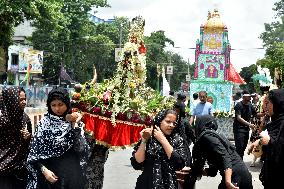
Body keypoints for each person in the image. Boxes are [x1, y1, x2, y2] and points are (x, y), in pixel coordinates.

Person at [26, 87, 89, 189]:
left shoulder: (75, 122)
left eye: (60, 104)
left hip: (72, 178)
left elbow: (81, 150)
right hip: (50, 178)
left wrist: (75, 126)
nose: (57, 109)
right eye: (53, 105)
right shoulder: (44, 124)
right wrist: (44, 170)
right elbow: (34, 154)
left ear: (67, 104)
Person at [185, 115, 253, 189]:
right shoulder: (212, 138)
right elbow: (212, 172)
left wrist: (228, 181)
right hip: (238, 174)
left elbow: (225, 156)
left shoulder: (207, 136)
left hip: (235, 176)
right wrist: (194, 171)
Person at [130, 109, 188, 189]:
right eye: (168, 121)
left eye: (174, 123)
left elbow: (179, 163)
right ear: (159, 121)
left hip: (168, 184)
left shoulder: (177, 139)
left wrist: (163, 140)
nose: (171, 125)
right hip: (147, 183)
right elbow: (137, 163)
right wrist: (144, 141)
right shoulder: (149, 136)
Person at [249, 88, 284, 188]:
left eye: (268, 103)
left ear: (278, 104)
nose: (265, 107)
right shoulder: (276, 121)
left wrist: (270, 142)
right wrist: (260, 141)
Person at [0, 87, 32, 189]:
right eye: (20, 100)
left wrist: (28, 137)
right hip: (3, 172)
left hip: (20, 171)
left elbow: (31, 145)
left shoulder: (25, 118)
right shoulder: (1, 120)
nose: (24, 102)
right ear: (10, 100)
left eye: (25, 99)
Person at [233, 90, 257, 159]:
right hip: (239, 129)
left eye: (250, 96)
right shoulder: (239, 105)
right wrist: (249, 124)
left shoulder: (250, 105)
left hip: (246, 129)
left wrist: (265, 113)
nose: (250, 97)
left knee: (243, 147)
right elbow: (239, 118)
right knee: (239, 147)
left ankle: (240, 162)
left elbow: (256, 114)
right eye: (248, 96)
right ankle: (238, 164)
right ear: (244, 97)